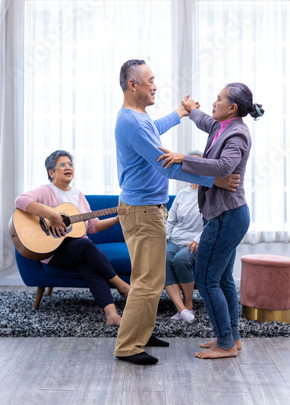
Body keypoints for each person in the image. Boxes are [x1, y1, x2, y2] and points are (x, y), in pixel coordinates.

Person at [114, 59, 240, 366]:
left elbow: (154, 129)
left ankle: (141, 334)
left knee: (152, 279)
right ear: (134, 85)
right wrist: (214, 179)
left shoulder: (138, 119)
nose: (156, 86)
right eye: (151, 81)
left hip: (145, 209)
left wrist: (180, 114)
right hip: (143, 211)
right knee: (147, 281)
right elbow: (164, 164)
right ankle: (128, 345)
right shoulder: (132, 122)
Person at [158, 82, 264, 359]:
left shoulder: (237, 134)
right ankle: (233, 339)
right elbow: (206, 121)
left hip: (226, 217)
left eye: (218, 99)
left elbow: (223, 167)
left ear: (233, 108)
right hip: (229, 214)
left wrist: (183, 159)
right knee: (224, 279)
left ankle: (225, 344)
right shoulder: (222, 126)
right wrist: (191, 111)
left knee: (206, 281)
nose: (213, 103)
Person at [14, 149, 130, 327]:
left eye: (70, 164)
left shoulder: (78, 195)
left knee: (90, 267)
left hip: (76, 250)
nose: (68, 167)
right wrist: (51, 215)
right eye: (62, 165)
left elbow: (92, 226)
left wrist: (116, 219)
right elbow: (20, 200)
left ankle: (112, 314)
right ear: (51, 172)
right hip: (53, 251)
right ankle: (121, 285)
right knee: (85, 245)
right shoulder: (46, 191)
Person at [165, 150, 203, 324]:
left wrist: (198, 239)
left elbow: (212, 223)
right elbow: (170, 221)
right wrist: (164, 237)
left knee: (181, 260)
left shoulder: (210, 193)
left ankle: (188, 304)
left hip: (195, 241)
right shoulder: (182, 194)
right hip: (175, 239)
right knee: (162, 258)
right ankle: (180, 308)